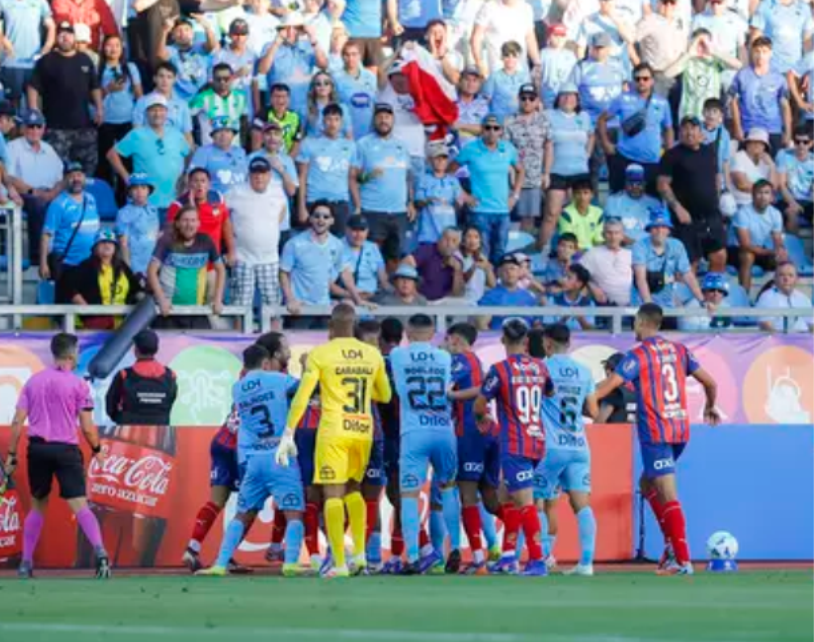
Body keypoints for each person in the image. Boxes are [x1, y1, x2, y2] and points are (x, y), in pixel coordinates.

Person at [596, 303, 720, 575]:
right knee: (647, 482)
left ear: (641, 322)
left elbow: (611, 385)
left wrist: (592, 398)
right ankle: (671, 544)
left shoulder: (637, 355)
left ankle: (682, 559)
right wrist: (710, 407)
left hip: (656, 430)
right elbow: (711, 383)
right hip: (679, 430)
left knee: (667, 493)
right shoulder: (680, 350)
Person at [279, 303, 391, 578]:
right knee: (354, 490)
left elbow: (303, 396)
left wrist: (288, 432)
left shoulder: (321, 354)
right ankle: (361, 556)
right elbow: (385, 396)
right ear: (352, 326)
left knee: (332, 494)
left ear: (331, 327)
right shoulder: (372, 354)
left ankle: (340, 563)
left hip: (334, 431)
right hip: (363, 430)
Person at [4, 333, 111, 579]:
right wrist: (97, 449)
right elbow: (87, 427)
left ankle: (26, 563)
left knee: (37, 506)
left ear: (54, 353)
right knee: (81, 506)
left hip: (38, 449)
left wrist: (11, 455)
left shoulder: (33, 382)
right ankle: (101, 554)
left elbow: (17, 422)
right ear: (72, 355)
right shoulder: (79, 385)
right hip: (66, 451)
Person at [183, 332, 291, 573]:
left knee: (217, 501)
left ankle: (192, 548)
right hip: (247, 448)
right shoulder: (277, 379)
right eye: (286, 348)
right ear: (273, 355)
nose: (289, 352)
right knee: (254, 504)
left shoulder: (246, 375)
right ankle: (258, 550)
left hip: (223, 438)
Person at [474, 318, 551, 576]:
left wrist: (481, 418)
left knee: (524, 501)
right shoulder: (540, 367)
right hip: (537, 440)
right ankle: (508, 556)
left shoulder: (499, 370)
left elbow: (479, 403)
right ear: (527, 341)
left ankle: (538, 560)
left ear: (503, 340)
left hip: (515, 443)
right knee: (507, 496)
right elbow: (549, 392)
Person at [388, 314, 459, 574]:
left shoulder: (397, 355)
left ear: (407, 331)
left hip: (414, 431)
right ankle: (456, 550)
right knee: (448, 489)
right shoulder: (444, 357)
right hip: (443, 429)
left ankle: (415, 556)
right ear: (433, 334)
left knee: (408, 494)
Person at [533, 324, 598, 576]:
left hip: (550, 446)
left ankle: (542, 557)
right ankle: (586, 563)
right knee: (581, 504)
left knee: (537, 501)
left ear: (547, 343)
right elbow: (593, 412)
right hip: (579, 445)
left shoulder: (542, 368)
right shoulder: (584, 371)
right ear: (568, 343)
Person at [442, 322, 500, 575]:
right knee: (490, 498)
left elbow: (442, 389)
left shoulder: (460, 361)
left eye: (446, 340)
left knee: (466, 496)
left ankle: (478, 558)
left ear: (455, 339)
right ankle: (514, 545)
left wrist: (451, 396)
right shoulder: (477, 361)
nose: (445, 345)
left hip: (470, 432)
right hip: (489, 430)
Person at [27, 21, 103, 174]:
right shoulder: (46, 61)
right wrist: (34, 111)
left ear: (74, 38)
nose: (65, 37)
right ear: (56, 38)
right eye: (61, 34)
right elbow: (32, 86)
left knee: (87, 172)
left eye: (68, 34)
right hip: (56, 129)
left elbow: (94, 87)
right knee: (55, 172)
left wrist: (100, 108)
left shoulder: (85, 60)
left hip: (84, 127)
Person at [450, 113, 524, 264]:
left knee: (500, 252)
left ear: (501, 131)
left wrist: (515, 196)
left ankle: (495, 283)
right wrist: (464, 195)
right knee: (481, 253)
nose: (492, 131)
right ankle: (480, 285)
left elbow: (521, 170)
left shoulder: (508, 148)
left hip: (503, 211)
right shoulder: (470, 148)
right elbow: (449, 173)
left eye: (496, 128)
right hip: (479, 211)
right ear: (482, 130)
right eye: (488, 128)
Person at [279, 201, 365, 325]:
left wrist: (357, 299)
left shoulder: (337, 244)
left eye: (326, 217)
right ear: (310, 218)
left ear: (332, 221)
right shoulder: (294, 243)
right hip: (299, 310)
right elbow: (283, 273)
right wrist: (290, 300)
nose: (321, 220)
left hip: (325, 310)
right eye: (317, 216)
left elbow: (345, 273)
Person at [658, 115, 725, 272]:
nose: (689, 132)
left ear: (700, 131)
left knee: (719, 256)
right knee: (689, 264)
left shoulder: (709, 152)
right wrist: (677, 208)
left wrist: (717, 200)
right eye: (685, 128)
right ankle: (688, 297)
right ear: (679, 132)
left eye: (693, 128)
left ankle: (713, 294)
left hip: (711, 216)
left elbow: (716, 177)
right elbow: (662, 185)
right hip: (687, 219)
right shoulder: (671, 155)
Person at [351, 103, 414, 264]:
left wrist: (411, 203)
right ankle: (371, 288)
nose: (383, 120)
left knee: (396, 256)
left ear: (393, 120)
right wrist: (358, 206)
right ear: (374, 120)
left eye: (387, 117)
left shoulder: (402, 146)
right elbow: (354, 178)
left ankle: (392, 289)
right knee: (370, 256)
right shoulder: (363, 144)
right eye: (379, 117)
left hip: (399, 211)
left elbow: (408, 177)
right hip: (372, 209)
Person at [108, 93, 191, 214]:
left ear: (166, 112)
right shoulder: (136, 134)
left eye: (161, 110)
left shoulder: (176, 134)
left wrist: (185, 174)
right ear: (146, 113)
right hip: (144, 203)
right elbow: (111, 154)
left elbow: (189, 153)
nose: (157, 114)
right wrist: (126, 177)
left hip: (173, 201)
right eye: (153, 110)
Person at [598, 62, 674, 195]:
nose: (641, 82)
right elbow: (602, 120)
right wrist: (606, 143)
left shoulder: (662, 103)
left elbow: (668, 129)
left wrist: (669, 154)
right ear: (633, 81)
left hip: (651, 162)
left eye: (645, 78)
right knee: (619, 201)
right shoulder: (622, 99)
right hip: (624, 159)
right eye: (637, 79)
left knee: (650, 204)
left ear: (652, 81)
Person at [147, 204, 226, 329]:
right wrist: (161, 299)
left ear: (199, 224)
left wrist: (217, 298)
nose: (189, 225)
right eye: (185, 220)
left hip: (197, 312)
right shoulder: (167, 240)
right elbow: (151, 271)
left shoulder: (206, 241)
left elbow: (221, 269)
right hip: (169, 312)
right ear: (177, 223)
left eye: (193, 220)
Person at [5, 109, 64, 266]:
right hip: (23, 194)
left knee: (69, 202)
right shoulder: (12, 147)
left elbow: (61, 178)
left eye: (38, 126)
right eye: (30, 126)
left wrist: (52, 193)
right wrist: (33, 191)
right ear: (23, 128)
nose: (34, 130)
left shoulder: (49, 149)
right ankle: (38, 257)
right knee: (38, 204)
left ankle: (62, 254)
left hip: (48, 193)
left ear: (43, 128)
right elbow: (9, 178)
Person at [539, 83, 594, 251]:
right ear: (558, 98)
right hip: (557, 171)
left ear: (577, 99)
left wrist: (587, 154)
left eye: (572, 96)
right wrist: (544, 171)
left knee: (578, 214)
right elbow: (541, 142)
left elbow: (591, 136)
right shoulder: (548, 115)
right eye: (564, 95)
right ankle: (542, 250)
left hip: (580, 172)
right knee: (552, 214)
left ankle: (576, 250)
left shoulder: (583, 117)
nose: (568, 99)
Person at [229, 156, 287, 311]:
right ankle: (240, 336)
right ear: (249, 174)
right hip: (243, 257)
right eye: (255, 173)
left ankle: (274, 334)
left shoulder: (277, 189)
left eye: (263, 173)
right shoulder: (236, 191)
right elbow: (223, 216)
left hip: (269, 258)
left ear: (269, 175)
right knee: (240, 305)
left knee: (273, 306)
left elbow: (282, 211)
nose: (259, 177)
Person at [41, 161, 100, 303]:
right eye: (71, 176)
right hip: (66, 264)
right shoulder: (58, 204)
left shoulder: (91, 199)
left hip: (89, 263)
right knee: (63, 304)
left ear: (85, 178)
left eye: (79, 175)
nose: (76, 179)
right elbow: (46, 234)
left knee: (89, 303)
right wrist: (43, 263)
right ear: (65, 179)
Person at [631, 208, 705, 322]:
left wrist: (702, 300)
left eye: (663, 227)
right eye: (655, 227)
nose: (660, 231)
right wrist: (648, 305)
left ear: (669, 230)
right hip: (642, 304)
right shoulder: (639, 246)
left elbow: (688, 275)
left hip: (667, 304)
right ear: (649, 230)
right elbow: (641, 279)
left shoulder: (677, 245)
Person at [62, 228, 141, 329]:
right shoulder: (86, 266)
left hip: (119, 325)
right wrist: (87, 310)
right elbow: (69, 287)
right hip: (92, 324)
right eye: (103, 242)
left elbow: (136, 289)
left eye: (111, 243)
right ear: (95, 247)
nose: (107, 245)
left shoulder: (122, 267)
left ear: (115, 248)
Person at [297, 103, 358, 234]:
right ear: (323, 121)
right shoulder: (309, 143)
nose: (332, 123)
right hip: (314, 202)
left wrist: (357, 205)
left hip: (340, 203)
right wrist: (301, 207)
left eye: (336, 119)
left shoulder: (351, 146)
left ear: (341, 122)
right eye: (329, 119)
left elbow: (352, 178)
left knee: (339, 247)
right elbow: (302, 177)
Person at [97, 34, 144, 201]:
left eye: (117, 45)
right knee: (104, 163)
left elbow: (139, 95)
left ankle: (126, 198)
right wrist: (108, 89)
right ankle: (105, 199)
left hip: (127, 121)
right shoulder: (98, 68)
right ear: (103, 48)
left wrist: (140, 120)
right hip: (106, 121)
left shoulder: (130, 68)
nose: (113, 49)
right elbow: (93, 97)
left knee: (127, 162)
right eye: (109, 45)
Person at [167, 168, 235, 278]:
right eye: (195, 181)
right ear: (189, 184)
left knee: (215, 294)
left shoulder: (218, 198)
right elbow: (172, 236)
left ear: (209, 184)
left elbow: (226, 226)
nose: (199, 185)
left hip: (214, 265)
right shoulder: (178, 206)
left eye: (203, 181)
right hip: (188, 266)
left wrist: (231, 251)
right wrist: (191, 208)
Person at [258, 13, 328, 119]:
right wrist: (276, 43)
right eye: (287, 28)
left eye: (295, 28)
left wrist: (313, 38)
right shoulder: (269, 46)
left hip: (302, 110)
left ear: (301, 30)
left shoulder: (308, 46)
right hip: (276, 110)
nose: (291, 32)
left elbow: (324, 65)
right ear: (280, 30)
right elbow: (262, 70)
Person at [729, 37, 791, 154]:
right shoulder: (741, 75)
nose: (760, 55)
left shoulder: (779, 78)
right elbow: (733, 102)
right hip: (749, 128)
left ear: (770, 53)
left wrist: (788, 132)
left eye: (764, 52)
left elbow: (785, 106)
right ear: (751, 52)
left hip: (772, 129)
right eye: (757, 51)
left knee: (772, 166)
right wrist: (737, 128)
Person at [663, 29, 741, 122]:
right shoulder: (687, 61)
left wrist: (714, 51)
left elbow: (738, 65)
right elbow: (667, 74)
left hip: (711, 117)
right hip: (689, 117)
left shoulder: (715, 61)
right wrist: (689, 53)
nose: (702, 46)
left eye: (705, 43)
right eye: (699, 43)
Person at [105, 329, 177, 425]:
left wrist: (122, 420)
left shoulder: (124, 375)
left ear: (136, 350)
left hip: (129, 430)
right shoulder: (170, 375)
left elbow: (110, 404)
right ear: (156, 349)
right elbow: (170, 402)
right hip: (160, 431)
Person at [504, 83, 549, 233]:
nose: (527, 101)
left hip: (534, 177)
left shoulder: (544, 121)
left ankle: (522, 252)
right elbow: (505, 149)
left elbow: (549, 147)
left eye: (531, 98)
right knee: (507, 216)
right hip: (512, 177)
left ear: (537, 100)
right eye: (524, 98)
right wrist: (510, 171)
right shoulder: (509, 121)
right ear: (518, 99)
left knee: (529, 218)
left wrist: (546, 173)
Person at [728, 180, 786, 291]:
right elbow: (745, 244)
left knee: (782, 258)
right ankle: (744, 298)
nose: (763, 196)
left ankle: (779, 295)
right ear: (753, 195)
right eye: (759, 193)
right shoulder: (743, 213)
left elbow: (777, 238)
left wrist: (780, 250)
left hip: (758, 249)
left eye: (766, 193)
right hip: (736, 250)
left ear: (772, 197)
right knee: (748, 256)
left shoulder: (775, 213)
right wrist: (769, 252)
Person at [0, 0, 55, 104]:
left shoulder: (40, 2)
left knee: (35, 106)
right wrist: (2, 38)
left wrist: (47, 46)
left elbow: (51, 26)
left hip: (34, 63)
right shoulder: (3, 2)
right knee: (11, 107)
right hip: (10, 62)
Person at [156, 15, 218, 104]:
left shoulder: (199, 47)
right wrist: (165, 30)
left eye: (187, 30)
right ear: (172, 35)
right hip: (180, 100)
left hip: (202, 98)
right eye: (178, 31)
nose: (183, 33)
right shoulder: (171, 50)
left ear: (193, 34)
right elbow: (160, 55)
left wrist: (207, 27)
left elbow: (212, 46)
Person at [414, 145, 469, 245]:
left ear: (447, 161)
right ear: (431, 160)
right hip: (428, 235)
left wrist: (459, 203)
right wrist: (428, 200)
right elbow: (417, 203)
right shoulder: (423, 179)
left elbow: (458, 205)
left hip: (449, 236)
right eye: (437, 158)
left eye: (444, 158)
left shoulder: (453, 181)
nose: (440, 161)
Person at [469, 0, 539, 77]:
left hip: (521, 71)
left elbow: (530, 38)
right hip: (496, 71)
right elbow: (476, 37)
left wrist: (537, 64)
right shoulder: (488, 7)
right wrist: (479, 62)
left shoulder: (527, 8)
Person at [132, 63, 194, 145]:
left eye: (169, 77)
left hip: (175, 151)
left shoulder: (182, 104)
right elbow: (137, 130)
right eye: (161, 76)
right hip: (150, 148)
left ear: (175, 80)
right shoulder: (142, 101)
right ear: (154, 78)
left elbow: (187, 134)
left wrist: (190, 156)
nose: (165, 80)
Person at [190, 63, 249, 147]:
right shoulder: (202, 97)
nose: (222, 82)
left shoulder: (241, 97)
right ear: (213, 79)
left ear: (232, 78)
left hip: (234, 151)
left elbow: (244, 124)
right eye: (218, 79)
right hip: (209, 152)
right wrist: (194, 142)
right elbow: (186, 117)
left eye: (226, 79)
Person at [477, 253, 540, 330]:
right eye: (504, 269)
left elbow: (536, 324)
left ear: (519, 272)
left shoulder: (529, 297)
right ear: (498, 273)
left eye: (512, 268)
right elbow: (481, 325)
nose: (509, 272)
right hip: (499, 340)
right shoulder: (489, 297)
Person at [750, 0, 814, 75]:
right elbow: (755, 39)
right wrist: (756, 68)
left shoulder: (804, 8)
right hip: (770, 71)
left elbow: (807, 42)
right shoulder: (764, 5)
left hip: (796, 73)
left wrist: (808, 71)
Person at [580, 218, 633, 306]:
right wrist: (591, 286)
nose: (613, 237)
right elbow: (576, 273)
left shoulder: (630, 254)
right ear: (603, 235)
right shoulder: (593, 253)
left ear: (622, 236)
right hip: (604, 306)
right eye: (609, 233)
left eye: (617, 233)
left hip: (631, 307)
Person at [189, 116, 248, 195]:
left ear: (233, 135)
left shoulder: (240, 152)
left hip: (240, 200)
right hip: (214, 202)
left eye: (227, 131)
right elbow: (191, 179)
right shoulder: (203, 152)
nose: (223, 135)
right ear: (213, 135)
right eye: (219, 131)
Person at [115, 173, 159, 277]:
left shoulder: (153, 209)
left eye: (143, 187)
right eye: (135, 188)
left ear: (148, 191)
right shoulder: (124, 213)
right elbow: (123, 244)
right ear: (129, 192)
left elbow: (155, 236)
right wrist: (128, 270)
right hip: (134, 264)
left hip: (151, 262)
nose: (139, 191)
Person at [404, 227, 465, 302]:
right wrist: (413, 292)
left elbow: (457, 294)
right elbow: (405, 264)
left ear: (457, 246)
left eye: (454, 241)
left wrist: (457, 270)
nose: (449, 244)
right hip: (419, 299)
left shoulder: (457, 262)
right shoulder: (427, 250)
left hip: (442, 302)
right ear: (439, 239)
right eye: (446, 239)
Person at [604, 164, 661, 244]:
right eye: (631, 183)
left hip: (650, 248)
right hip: (623, 248)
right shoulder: (613, 201)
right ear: (625, 183)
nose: (635, 187)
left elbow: (661, 229)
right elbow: (613, 230)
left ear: (645, 183)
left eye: (639, 183)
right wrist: (636, 245)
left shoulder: (655, 203)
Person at [334, 41, 378, 140]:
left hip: (369, 133)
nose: (351, 58)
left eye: (354, 54)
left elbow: (375, 103)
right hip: (346, 134)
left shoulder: (370, 77)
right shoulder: (335, 78)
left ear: (359, 56)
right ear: (342, 56)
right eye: (347, 55)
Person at [339, 215, 388, 300]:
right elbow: (330, 283)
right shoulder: (337, 246)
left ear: (367, 231)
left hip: (373, 296)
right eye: (354, 230)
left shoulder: (373, 247)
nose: (358, 234)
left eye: (362, 230)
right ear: (346, 229)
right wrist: (353, 295)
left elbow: (383, 279)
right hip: (347, 297)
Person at [755, 261, 814, 332]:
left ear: (796, 279)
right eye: (782, 275)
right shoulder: (767, 297)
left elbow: (812, 325)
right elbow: (765, 325)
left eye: (790, 275)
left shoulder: (803, 298)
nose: (786, 279)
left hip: (804, 339)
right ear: (775, 278)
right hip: (779, 341)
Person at [776, 127, 814, 232]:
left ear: (811, 143)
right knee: (791, 213)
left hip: (808, 201)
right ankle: (793, 246)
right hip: (787, 200)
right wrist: (793, 203)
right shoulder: (783, 155)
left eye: (805, 142)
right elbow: (781, 185)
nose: (801, 145)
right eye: (798, 142)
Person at [481, 41, 531, 120]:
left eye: (514, 56)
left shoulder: (525, 77)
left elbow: (529, 100)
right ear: (502, 57)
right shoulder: (494, 77)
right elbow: (484, 102)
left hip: (519, 120)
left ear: (519, 58)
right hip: (499, 121)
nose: (510, 59)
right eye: (507, 55)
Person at [730, 127, 778, 207]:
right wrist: (765, 192)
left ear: (764, 146)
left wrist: (772, 166)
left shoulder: (767, 161)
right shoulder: (739, 157)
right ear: (747, 144)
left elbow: (774, 187)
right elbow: (742, 185)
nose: (757, 145)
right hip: (742, 202)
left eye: (761, 143)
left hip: (763, 204)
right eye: (754, 142)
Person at [536, 23, 577, 109]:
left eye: (562, 36)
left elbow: (575, 77)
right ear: (549, 36)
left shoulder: (570, 55)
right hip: (547, 95)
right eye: (556, 35)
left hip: (565, 95)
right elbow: (537, 77)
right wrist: (538, 97)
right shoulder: (543, 53)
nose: (559, 39)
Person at [557, 180, 604, 251]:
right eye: (578, 193)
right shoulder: (566, 213)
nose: (582, 197)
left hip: (592, 253)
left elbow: (598, 239)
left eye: (586, 193)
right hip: (572, 253)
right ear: (573, 195)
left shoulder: (598, 212)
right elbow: (568, 242)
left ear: (592, 195)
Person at [305, 71, 353, 139]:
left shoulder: (342, 108)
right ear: (313, 87)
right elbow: (300, 137)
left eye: (326, 83)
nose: (322, 86)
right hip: (314, 148)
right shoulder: (306, 109)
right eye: (318, 84)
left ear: (331, 86)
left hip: (338, 148)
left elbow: (349, 136)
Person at [595, 352, 636, 424]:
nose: (607, 371)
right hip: (634, 434)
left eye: (611, 368)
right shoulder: (639, 390)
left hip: (612, 433)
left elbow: (599, 423)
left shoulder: (614, 392)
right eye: (606, 367)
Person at [460, 226, 496, 304]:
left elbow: (493, 285)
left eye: (476, 237)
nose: (472, 240)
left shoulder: (482, 258)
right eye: (469, 236)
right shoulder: (458, 257)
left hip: (479, 304)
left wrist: (487, 268)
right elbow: (461, 282)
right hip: (462, 303)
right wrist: (474, 267)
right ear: (463, 241)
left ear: (480, 242)